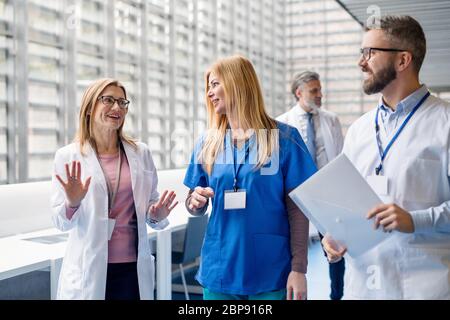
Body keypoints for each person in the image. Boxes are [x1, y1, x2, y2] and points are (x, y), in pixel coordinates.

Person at [322, 15, 450, 299]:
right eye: (361, 53)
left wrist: (417, 219)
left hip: (426, 288)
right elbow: (342, 202)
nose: (361, 62)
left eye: (370, 53)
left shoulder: (446, 123)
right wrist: (333, 237)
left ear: (403, 60)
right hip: (362, 288)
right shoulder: (358, 130)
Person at [183, 55, 317, 300]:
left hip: (271, 271)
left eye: (215, 84)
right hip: (219, 267)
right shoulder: (207, 142)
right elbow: (194, 201)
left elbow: (298, 208)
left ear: (237, 83)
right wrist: (194, 202)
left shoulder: (284, 138)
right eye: (208, 87)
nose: (209, 93)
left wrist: (299, 268)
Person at [51, 78, 178, 300]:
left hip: (133, 269)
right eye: (108, 100)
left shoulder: (141, 153)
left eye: (122, 102)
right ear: (90, 108)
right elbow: (61, 222)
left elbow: (150, 203)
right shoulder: (68, 156)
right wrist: (72, 203)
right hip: (88, 270)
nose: (117, 107)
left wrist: (155, 214)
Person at [276, 71, 345, 300]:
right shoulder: (282, 123)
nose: (319, 95)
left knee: (335, 248)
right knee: (292, 249)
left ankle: (337, 294)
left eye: (320, 89)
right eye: (314, 90)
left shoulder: (331, 120)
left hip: (326, 195)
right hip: (295, 196)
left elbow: (340, 157)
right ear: (299, 93)